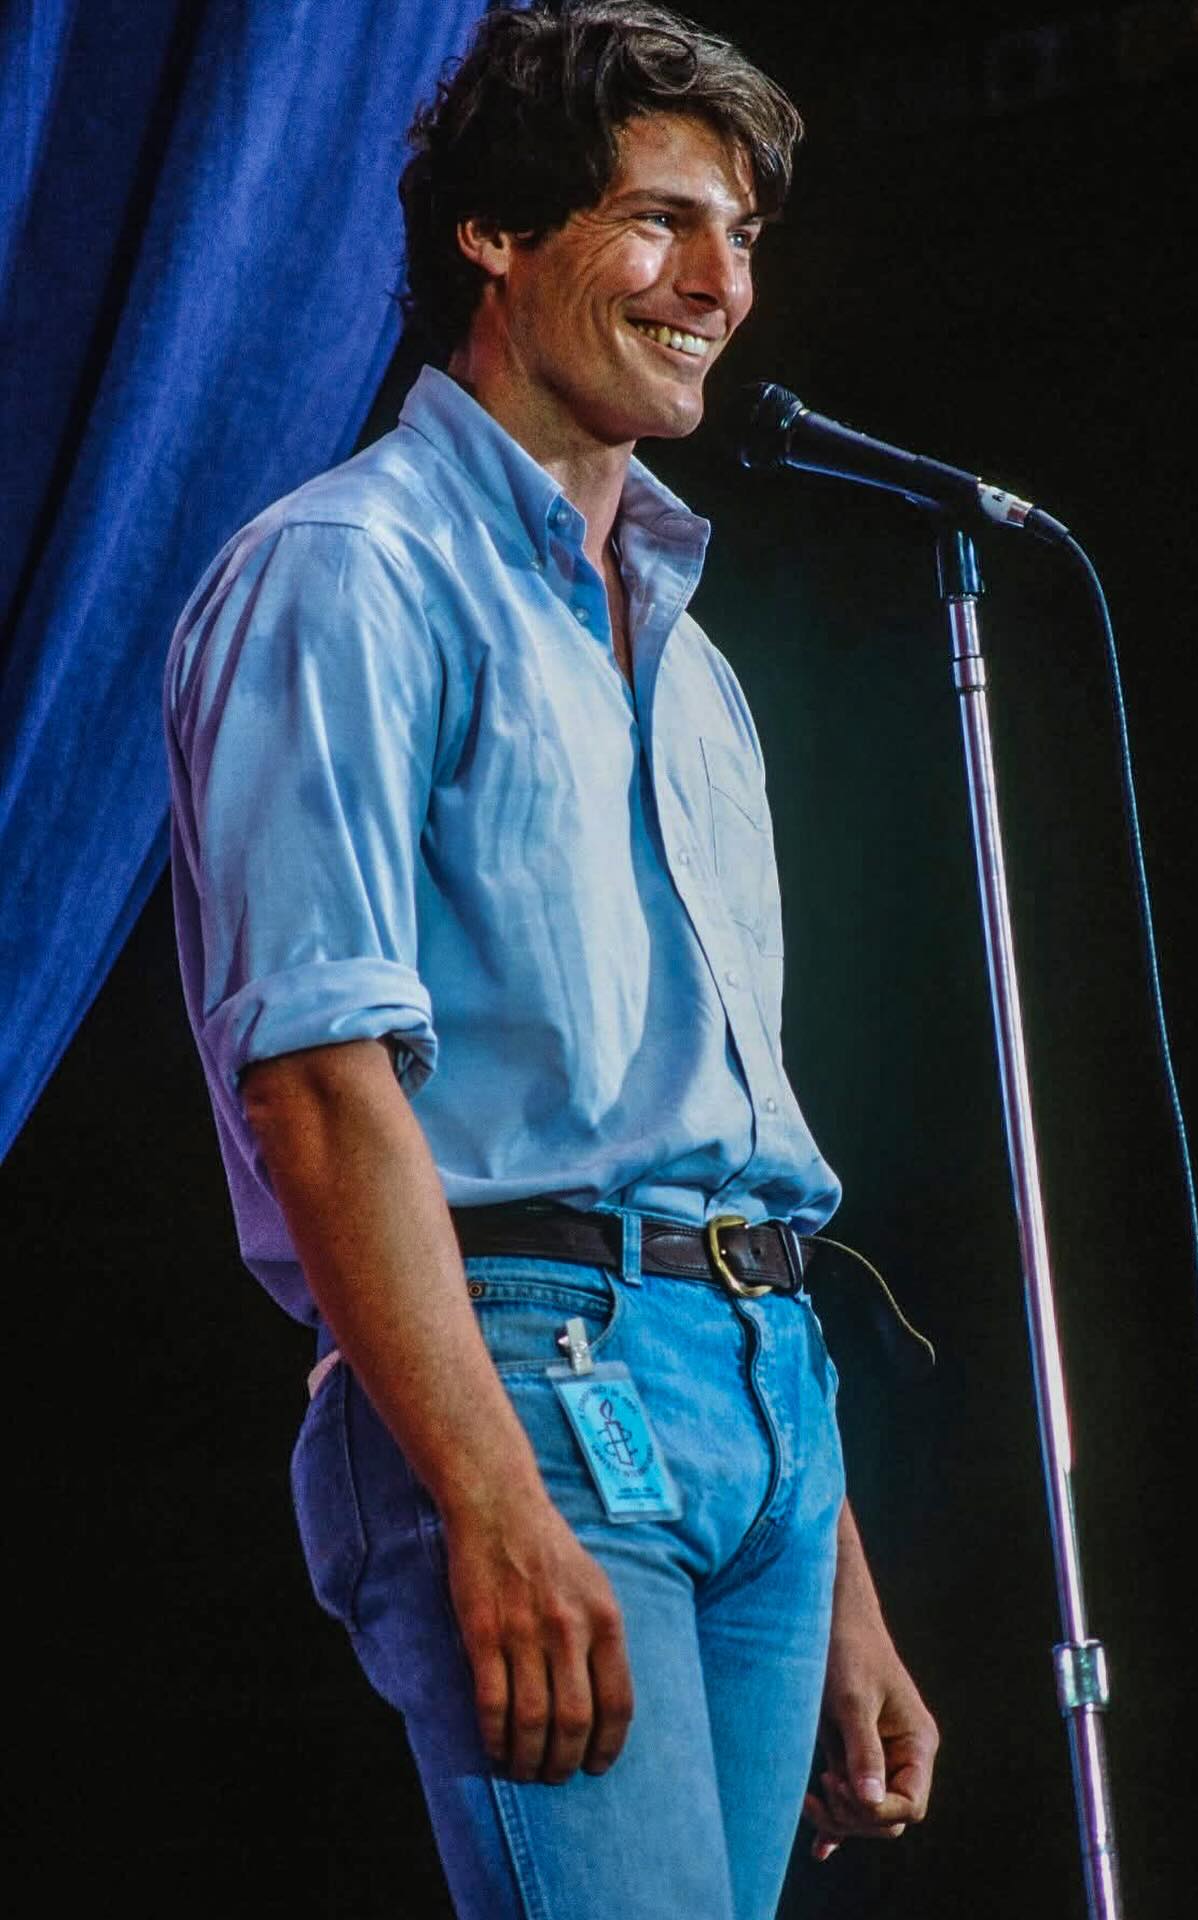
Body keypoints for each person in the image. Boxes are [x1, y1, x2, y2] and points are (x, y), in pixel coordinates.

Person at [163, 5, 938, 1915]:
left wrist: (831, 1559)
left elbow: (723, 1147)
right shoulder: (349, 572)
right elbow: (316, 1083)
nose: (718, 284)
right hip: (526, 1369)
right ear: (494, 238)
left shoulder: (697, 665)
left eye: (742, 237)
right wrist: (486, 1498)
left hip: (763, 1395)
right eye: (662, 221)